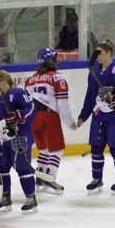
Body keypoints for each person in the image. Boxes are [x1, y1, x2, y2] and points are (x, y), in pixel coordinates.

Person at [75, 39, 115, 194]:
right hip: (99, 116)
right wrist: (83, 116)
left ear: (109, 53)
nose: (97, 56)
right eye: (96, 53)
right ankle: (97, 179)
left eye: (100, 52)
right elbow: (90, 95)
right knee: (96, 149)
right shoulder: (94, 70)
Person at [0, 70, 37, 213]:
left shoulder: (18, 93)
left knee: (23, 169)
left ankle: (31, 199)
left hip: (20, 137)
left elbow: (32, 109)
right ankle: (5, 198)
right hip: (4, 139)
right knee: (2, 168)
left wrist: (18, 115)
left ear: (4, 82)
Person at [25, 48, 74, 194]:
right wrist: (69, 121)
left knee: (44, 149)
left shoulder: (29, 79)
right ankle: (49, 179)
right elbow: (63, 104)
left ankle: (40, 179)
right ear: (53, 61)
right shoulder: (57, 78)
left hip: (33, 118)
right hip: (48, 116)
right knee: (57, 150)